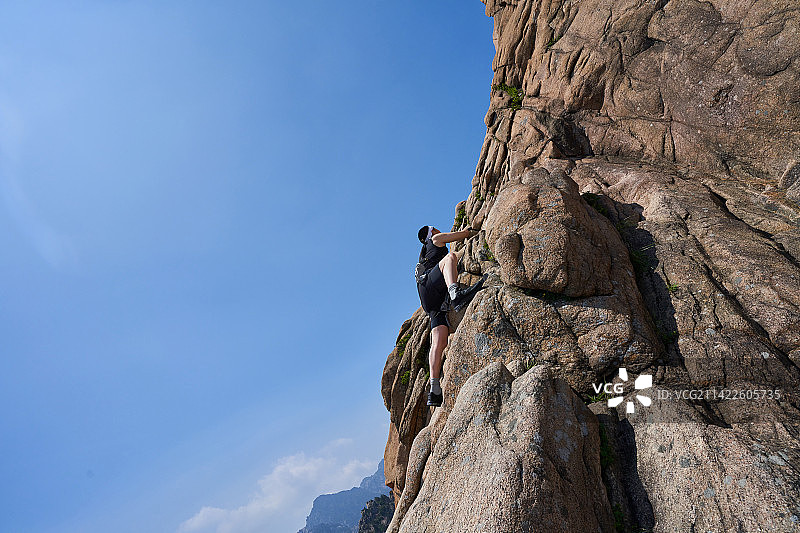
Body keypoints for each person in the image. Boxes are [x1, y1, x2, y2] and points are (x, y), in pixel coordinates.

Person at [416, 225, 487, 407]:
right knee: (450, 257)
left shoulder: (424, 256)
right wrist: (472, 229)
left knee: (439, 342)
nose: (439, 231)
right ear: (431, 232)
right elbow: (461, 235)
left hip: (429, 300)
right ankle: (455, 293)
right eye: (436, 229)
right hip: (431, 285)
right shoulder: (435, 240)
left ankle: (434, 388)